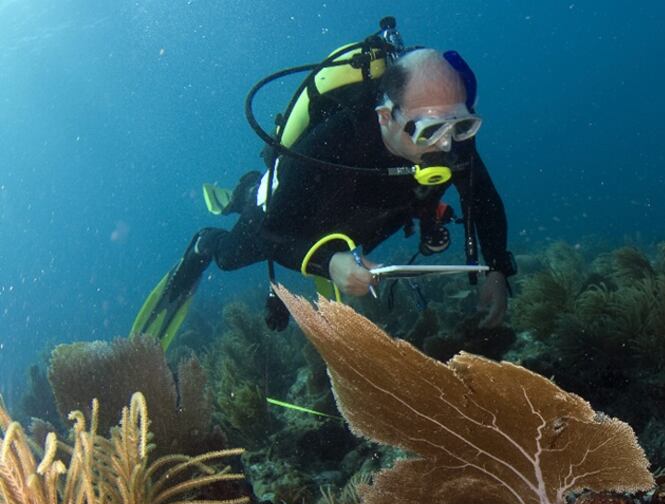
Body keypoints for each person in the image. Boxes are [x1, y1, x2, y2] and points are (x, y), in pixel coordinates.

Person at [132, 40, 515, 349]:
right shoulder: (334, 142)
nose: (447, 145)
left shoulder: (453, 138)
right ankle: (214, 232)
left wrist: (498, 267)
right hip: (299, 210)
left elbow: (483, 197)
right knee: (233, 256)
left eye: (461, 126)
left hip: (374, 210)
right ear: (386, 116)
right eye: (429, 131)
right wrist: (328, 263)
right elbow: (274, 232)